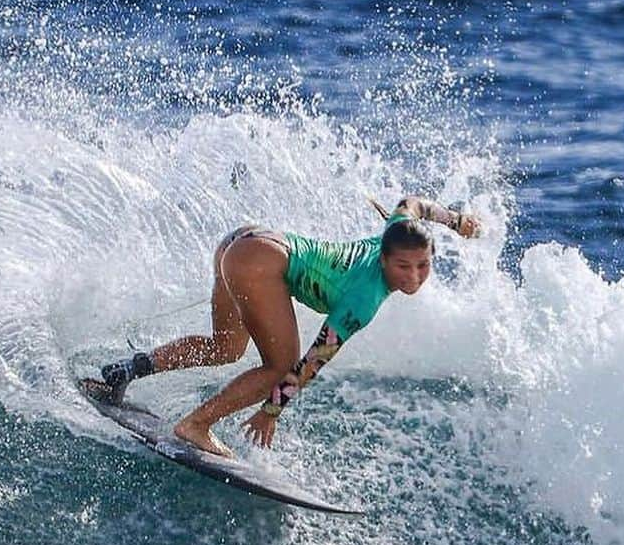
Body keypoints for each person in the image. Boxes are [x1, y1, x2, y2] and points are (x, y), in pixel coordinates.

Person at [85, 196, 481, 457]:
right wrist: (271, 411)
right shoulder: (364, 299)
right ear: (383, 259)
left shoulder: (397, 231)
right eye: (403, 266)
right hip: (257, 261)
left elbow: (411, 204)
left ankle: (125, 371)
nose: (413, 276)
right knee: (279, 364)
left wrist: (455, 220)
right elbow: (313, 359)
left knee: (225, 347)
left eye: (423, 265)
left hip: (242, 241)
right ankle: (195, 426)